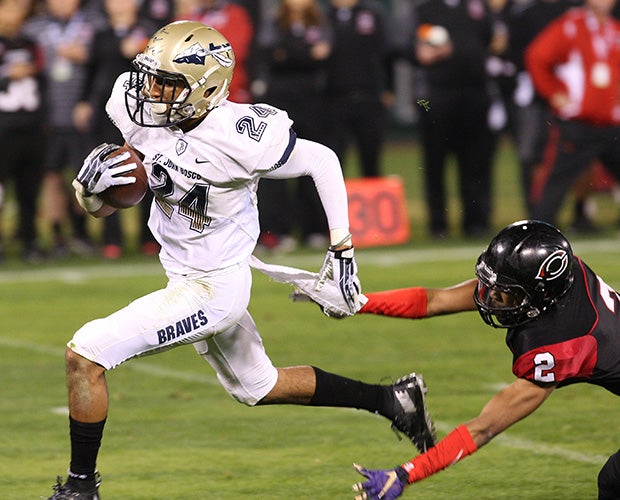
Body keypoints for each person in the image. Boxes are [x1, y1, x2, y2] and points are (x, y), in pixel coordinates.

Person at [45, 21, 436, 499]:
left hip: (215, 287)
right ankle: (393, 401)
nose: (150, 91)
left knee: (85, 354)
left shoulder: (239, 133)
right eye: (150, 77)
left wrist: (342, 248)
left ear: (206, 87)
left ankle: (80, 489)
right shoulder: (135, 105)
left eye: (167, 84)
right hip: (182, 272)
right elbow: (113, 201)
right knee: (258, 385)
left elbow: (323, 161)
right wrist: (91, 195)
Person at [350, 219, 620, 499]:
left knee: (614, 481)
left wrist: (407, 473)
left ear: (540, 294)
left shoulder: (564, 342)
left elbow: (484, 428)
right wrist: (357, 302)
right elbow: (437, 300)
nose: (491, 295)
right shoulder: (556, 281)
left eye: (506, 290)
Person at [73, 0, 159, 259]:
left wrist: (138, 50)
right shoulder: (100, 35)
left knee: (150, 171)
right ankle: (112, 239)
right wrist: (83, 101)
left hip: (143, 112)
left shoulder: (150, 31)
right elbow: (90, 71)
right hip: (106, 112)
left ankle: (150, 237)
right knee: (109, 169)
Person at [526, 0, 620, 230]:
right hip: (578, 122)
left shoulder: (614, 30)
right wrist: (553, 93)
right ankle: (538, 231)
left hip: (611, 122)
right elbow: (536, 56)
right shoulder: (570, 25)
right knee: (556, 180)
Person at [22, 0, 105, 257]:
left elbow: (105, 61)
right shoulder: (33, 28)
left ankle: (80, 233)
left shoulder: (95, 25)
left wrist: (87, 55)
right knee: (51, 176)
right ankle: (57, 235)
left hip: (83, 114)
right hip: (48, 114)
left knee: (83, 176)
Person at [410, 0, 495, 239]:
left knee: (476, 162)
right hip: (436, 97)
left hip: (474, 94)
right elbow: (409, 48)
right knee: (435, 164)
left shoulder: (478, 7)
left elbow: (490, 40)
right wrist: (424, 53)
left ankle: (476, 221)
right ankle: (438, 224)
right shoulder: (426, 9)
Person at [254, 0, 331, 251]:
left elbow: (327, 55)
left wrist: (288, 54)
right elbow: (268, 54)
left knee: (312, 165)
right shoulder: (273, 23)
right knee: (275, 166)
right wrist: (307, 54)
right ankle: (276, 230)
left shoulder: (321, 22)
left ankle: (315, 228)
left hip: (314, 102)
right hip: (280, 102)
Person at [324, 0, 392, 179]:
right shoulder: (323, 18)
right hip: (333, 99)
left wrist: (389, 88)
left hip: (368, 96)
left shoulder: (371, 15)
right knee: (333, 160)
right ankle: (333, 206)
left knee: (371, 158)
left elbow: (386, 53)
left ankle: (374, 204)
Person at [0, 0, 45, 262]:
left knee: (29, 189)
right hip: (3, 125)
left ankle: (30, 240)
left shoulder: (29, 42)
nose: (15, 13)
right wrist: (7, 75)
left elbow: (43, 72)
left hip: (31, 125)